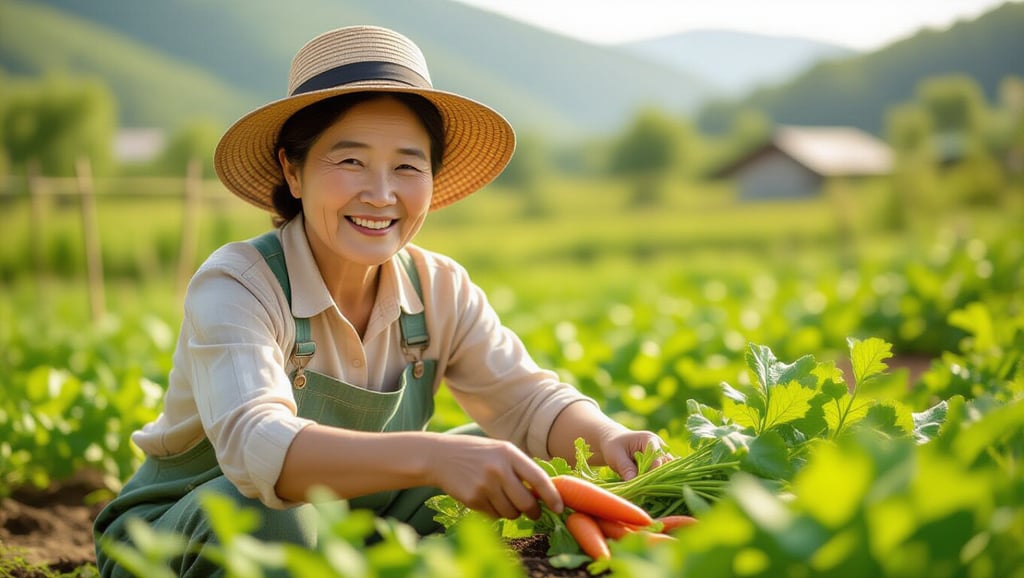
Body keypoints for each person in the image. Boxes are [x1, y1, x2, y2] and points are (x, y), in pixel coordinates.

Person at [93, 25, 668, 577]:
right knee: (265, 516)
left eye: (407, 166)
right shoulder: (239, 283)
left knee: (510, 459)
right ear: (293, 171)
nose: (382, 193)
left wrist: (609, 438)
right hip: (181, 536)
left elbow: (528, 404)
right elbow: (254, 448)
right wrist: (432, 457)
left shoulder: (438, 286)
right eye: (350, 161)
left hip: (357, 528)